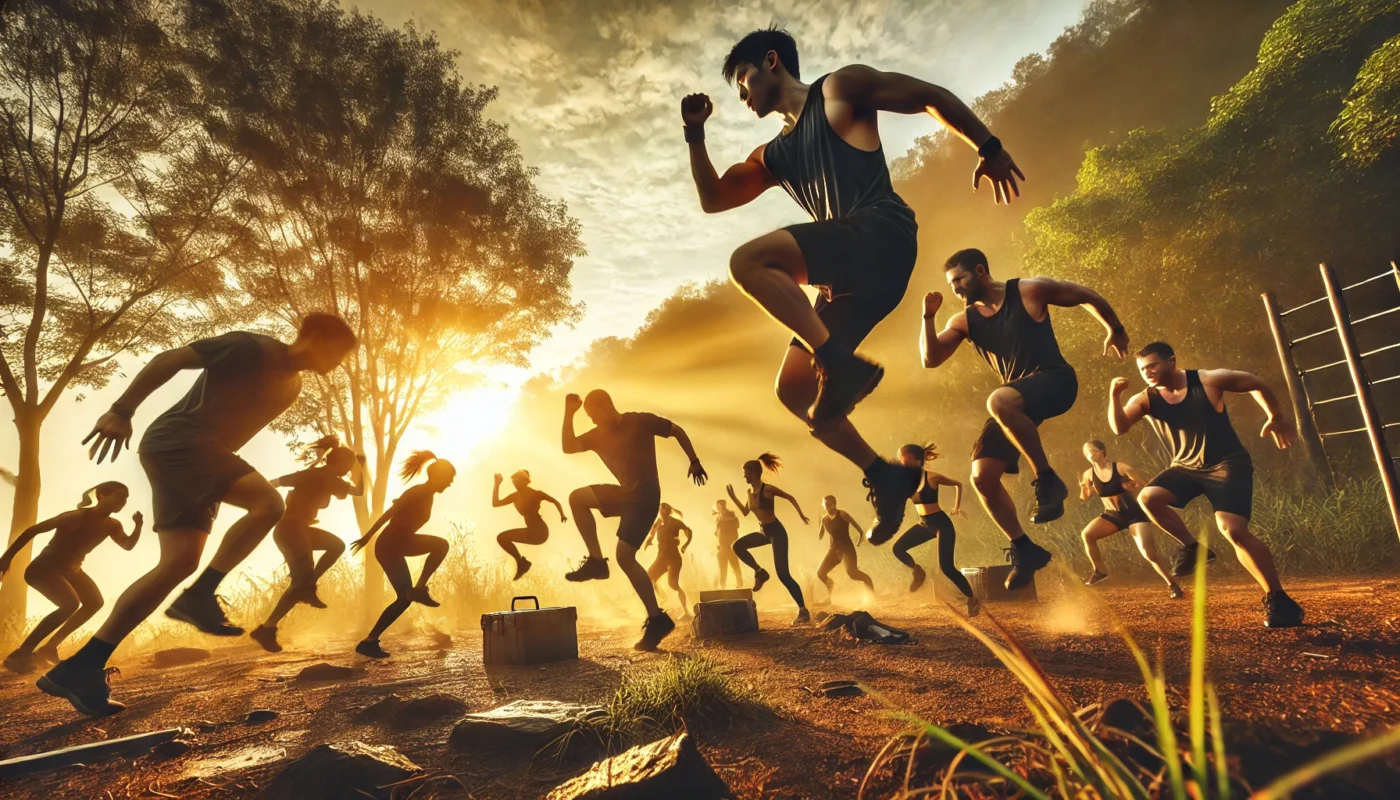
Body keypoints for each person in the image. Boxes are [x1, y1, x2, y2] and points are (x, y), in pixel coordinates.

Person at [682, 27, 1026, 544]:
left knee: (749, 261)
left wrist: (989, 145)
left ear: (771, 61)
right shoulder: (771, 155)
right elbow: (714, 198)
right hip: (852, 282)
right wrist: (694, 134)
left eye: (744, 80)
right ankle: (883, 474)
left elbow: (928, 96)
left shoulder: (840, 90)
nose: (743, 94)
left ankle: (841, 367)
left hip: (882, 233)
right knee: (795, 391)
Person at [42, 314, 356, 716]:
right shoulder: (251, 347)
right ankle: (202, 596)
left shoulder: (292, 386)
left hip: (202, 456)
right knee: (269, 505)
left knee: (178, 563)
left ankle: (81, 667)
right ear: (313, 337)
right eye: (338, 351)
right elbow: (170, 359)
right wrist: (122, 410)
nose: (339, 363)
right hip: (179, 441)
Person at [921, 249, 1128, 590]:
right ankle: (1024, 549)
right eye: (950, 283)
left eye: (959, 279)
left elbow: (1084, 295)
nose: (956, 288)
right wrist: (927, 318)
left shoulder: (1029, 290)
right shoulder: (964, 320)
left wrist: (1115, 329)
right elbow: (930, 358)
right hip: (1014, 402)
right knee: (982, 476)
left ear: (980, 271)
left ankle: (1047, 480)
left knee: (998, 400)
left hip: (1056, 381)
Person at [1109, 342, 1305, 628]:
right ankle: (1192, 548)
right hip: (1185, 467)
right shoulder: (1146, 398)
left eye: (1153, 365)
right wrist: (1114, 396)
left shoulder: (1208, 380)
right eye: (1142, 369)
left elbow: (1255, 383)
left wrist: (1274, 416)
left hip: (1227, 464)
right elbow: (1119, 427)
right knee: (1148, 497)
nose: (1147, 372)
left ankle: (1278, 599)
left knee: (1233, 530)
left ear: (1171, 361)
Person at [561, 390, 707, 651]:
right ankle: (596, 562)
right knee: (576, 498)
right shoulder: (598, 435)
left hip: (645, 499)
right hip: (625, 495)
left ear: (607, 406)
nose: (594, 422)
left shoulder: (639, 421)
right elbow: (568, 446)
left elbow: (677, 431)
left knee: (625, 557)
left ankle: (656, 619)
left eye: (595, 415)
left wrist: (694, 460)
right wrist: (569, 413)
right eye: (590, 418)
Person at [1, 484, 141, 674]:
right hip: (43, 569)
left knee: (94, 603)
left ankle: (49, 648)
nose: (122, 503)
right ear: (101, 495)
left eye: (125, 499)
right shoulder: (75, 517)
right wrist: (6, 558)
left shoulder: (112, 525)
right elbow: (32, 531)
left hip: (72, 570)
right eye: (118, 497)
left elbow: (127, 545)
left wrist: (138, 526)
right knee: (69, 604)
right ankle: (20, 655)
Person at [250, 436, 365, 653]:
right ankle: (305, 589)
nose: (348, 470)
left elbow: (275, 482)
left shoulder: (322, 475)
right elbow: (359, 491)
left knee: (335, 547)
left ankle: (269, 627)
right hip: (291, 529)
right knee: (303, 582)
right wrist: (362, 469)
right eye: (348, 466)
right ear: (340, 463)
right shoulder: (324, 475)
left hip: (297, 529)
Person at [350, 451, 455, 658]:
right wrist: (366, 537)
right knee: (440, 545)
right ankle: (418, 589)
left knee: (404, 598)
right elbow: (388, 514)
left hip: (400, 543)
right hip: (390, 545)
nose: (450, 483)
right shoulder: (418, 492)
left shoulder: (427, 494)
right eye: (450, 479)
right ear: (439, 476)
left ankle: (369, 642)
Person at [1077, 440, 1183, 598]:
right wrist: (1083, 487)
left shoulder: (1121, 467)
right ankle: (1100, 571)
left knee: (1148, 553)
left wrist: (1133, 485)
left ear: (1102, 451)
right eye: (1087, 452)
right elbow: (1084, 497)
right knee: (1087, 534)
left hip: (1134, 514)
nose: (1090, 454)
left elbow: (1146, 486)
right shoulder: (1088, 474)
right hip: (1112, 515)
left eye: (1093, 450)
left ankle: (1173, 585)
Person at [891, 444, 979, 616]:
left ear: (913, 458)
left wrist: (956, 507)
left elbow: (958, 484)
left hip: (941, 525)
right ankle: (917, 571)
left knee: (946, 567)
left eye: (903, 456)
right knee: (898, 549)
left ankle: (972, 598)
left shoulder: (931, 477)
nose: (900, 459)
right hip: (924, 525)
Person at [728, 453, 811, 625]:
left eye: (745, 472)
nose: (743, 475)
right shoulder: (750, 492)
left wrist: (801, 515)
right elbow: (745, 512)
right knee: (737, 546)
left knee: (783, 574)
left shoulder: (767, 489)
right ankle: (760, 572)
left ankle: (803, 610)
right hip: (763, 532)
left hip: (777, 532)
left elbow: (790, 497)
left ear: (752, 472)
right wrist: (733, 498)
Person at [492, 470, 566, 581]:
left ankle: (522, 563)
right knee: (501, 538)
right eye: (513, 483)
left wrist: (562, 515)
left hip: (540, 532)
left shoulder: (536, 494)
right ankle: (521, 563)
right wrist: (497, 485)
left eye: (517, 482)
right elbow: (496, 503)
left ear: (524, 481)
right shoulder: (514, 496)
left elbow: (556, 501)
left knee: (502, 537)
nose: (515, 485)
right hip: (531, 532)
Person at [815, 495, 874, 602]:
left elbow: (860, 530)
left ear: (834, 504)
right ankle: (830, 587)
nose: (828, 506)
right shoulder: (825, 519)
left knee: (852, 573)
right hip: (834, 551)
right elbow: (820, 535)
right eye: (826, 504)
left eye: (830, 504)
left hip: (847, 549)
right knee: (820, 573)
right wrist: (820, 524)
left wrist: (859, 540)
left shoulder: (842, 514)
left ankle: (868, 583)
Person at [644, 504, 693, 616]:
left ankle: (686, 611)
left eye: (661, 510)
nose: (660, 513)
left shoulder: (675, 522)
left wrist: (685, 545)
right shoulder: (659, 522)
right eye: (659, 511)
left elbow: (689, 531)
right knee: (649, 577)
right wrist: (649, 540)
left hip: (673, 558)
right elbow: (652, 531)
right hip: (661, 557)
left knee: (673, 584)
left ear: (667, 512)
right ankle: (660, 602)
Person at [713, 499, 743, 588]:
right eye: (719, 506)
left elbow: (736, 525)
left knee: (734, 564)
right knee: (723, 568)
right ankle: (723, 586)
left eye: (722, 505)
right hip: (723, 545)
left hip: (731, 545)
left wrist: (724, 519)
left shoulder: (731, 515)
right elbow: (718, 532)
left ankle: (739, 582)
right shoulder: (719, 518)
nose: (721, 508)